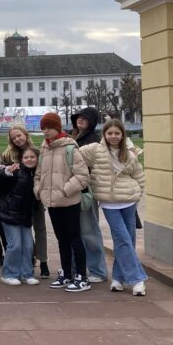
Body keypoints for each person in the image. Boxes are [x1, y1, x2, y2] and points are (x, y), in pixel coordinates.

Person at [80, 119, 148, 296]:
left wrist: (138, 194)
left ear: (122, 135)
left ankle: (118, 278)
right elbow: (73, 153)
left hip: (129, 201)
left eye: (117, 133)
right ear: (104, 134)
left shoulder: (130, 155)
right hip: (109, 203)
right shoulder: (95, 149)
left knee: (127, 240)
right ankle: (137, 279)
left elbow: (139, 175)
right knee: (122, 237)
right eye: (110, 133)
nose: (113, 136)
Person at [35, 112, 92, 292]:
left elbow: (83, 176)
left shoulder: (70, 148)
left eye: (49, 128)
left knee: (75, 238)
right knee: (61, 240)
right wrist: (39, 191)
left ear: (57, 128)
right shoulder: (44, 148)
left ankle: (82, 276)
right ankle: (67, 273)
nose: (46, 131)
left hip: (69, 201)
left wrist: (65, 190)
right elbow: (38, 175)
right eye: (43, 128)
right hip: (52, 202)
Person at [2, 125, 48, 278]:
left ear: (25, 134)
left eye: (19, 135)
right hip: (18, 201)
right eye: (14, 137)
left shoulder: (38, 151)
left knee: (39, 228)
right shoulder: (9, 155)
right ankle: (28, 261)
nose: (17, 139)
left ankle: (43, 261)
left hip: (36, 196)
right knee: (24, 235)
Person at [0, 147, 42, 286]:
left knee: (27, 246)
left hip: (25, 216)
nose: (29, 160)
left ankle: (27, 273)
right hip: (9, 214)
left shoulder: (37, 175)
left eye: (32, 157)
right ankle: (9, 274)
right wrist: (6, 171)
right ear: (21, 159)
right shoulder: (16, 171)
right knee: (15, 245)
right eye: (26, 157)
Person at [71, 106, 108, 284]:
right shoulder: (74, 136)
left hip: (86, 190)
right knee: (74, 231)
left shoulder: (93, 140)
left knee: (89, 230)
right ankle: (76, 267)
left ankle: (98, 270)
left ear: (92, 122)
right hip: (73, 189)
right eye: (79, 117)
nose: (81, 119)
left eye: (85, 118)